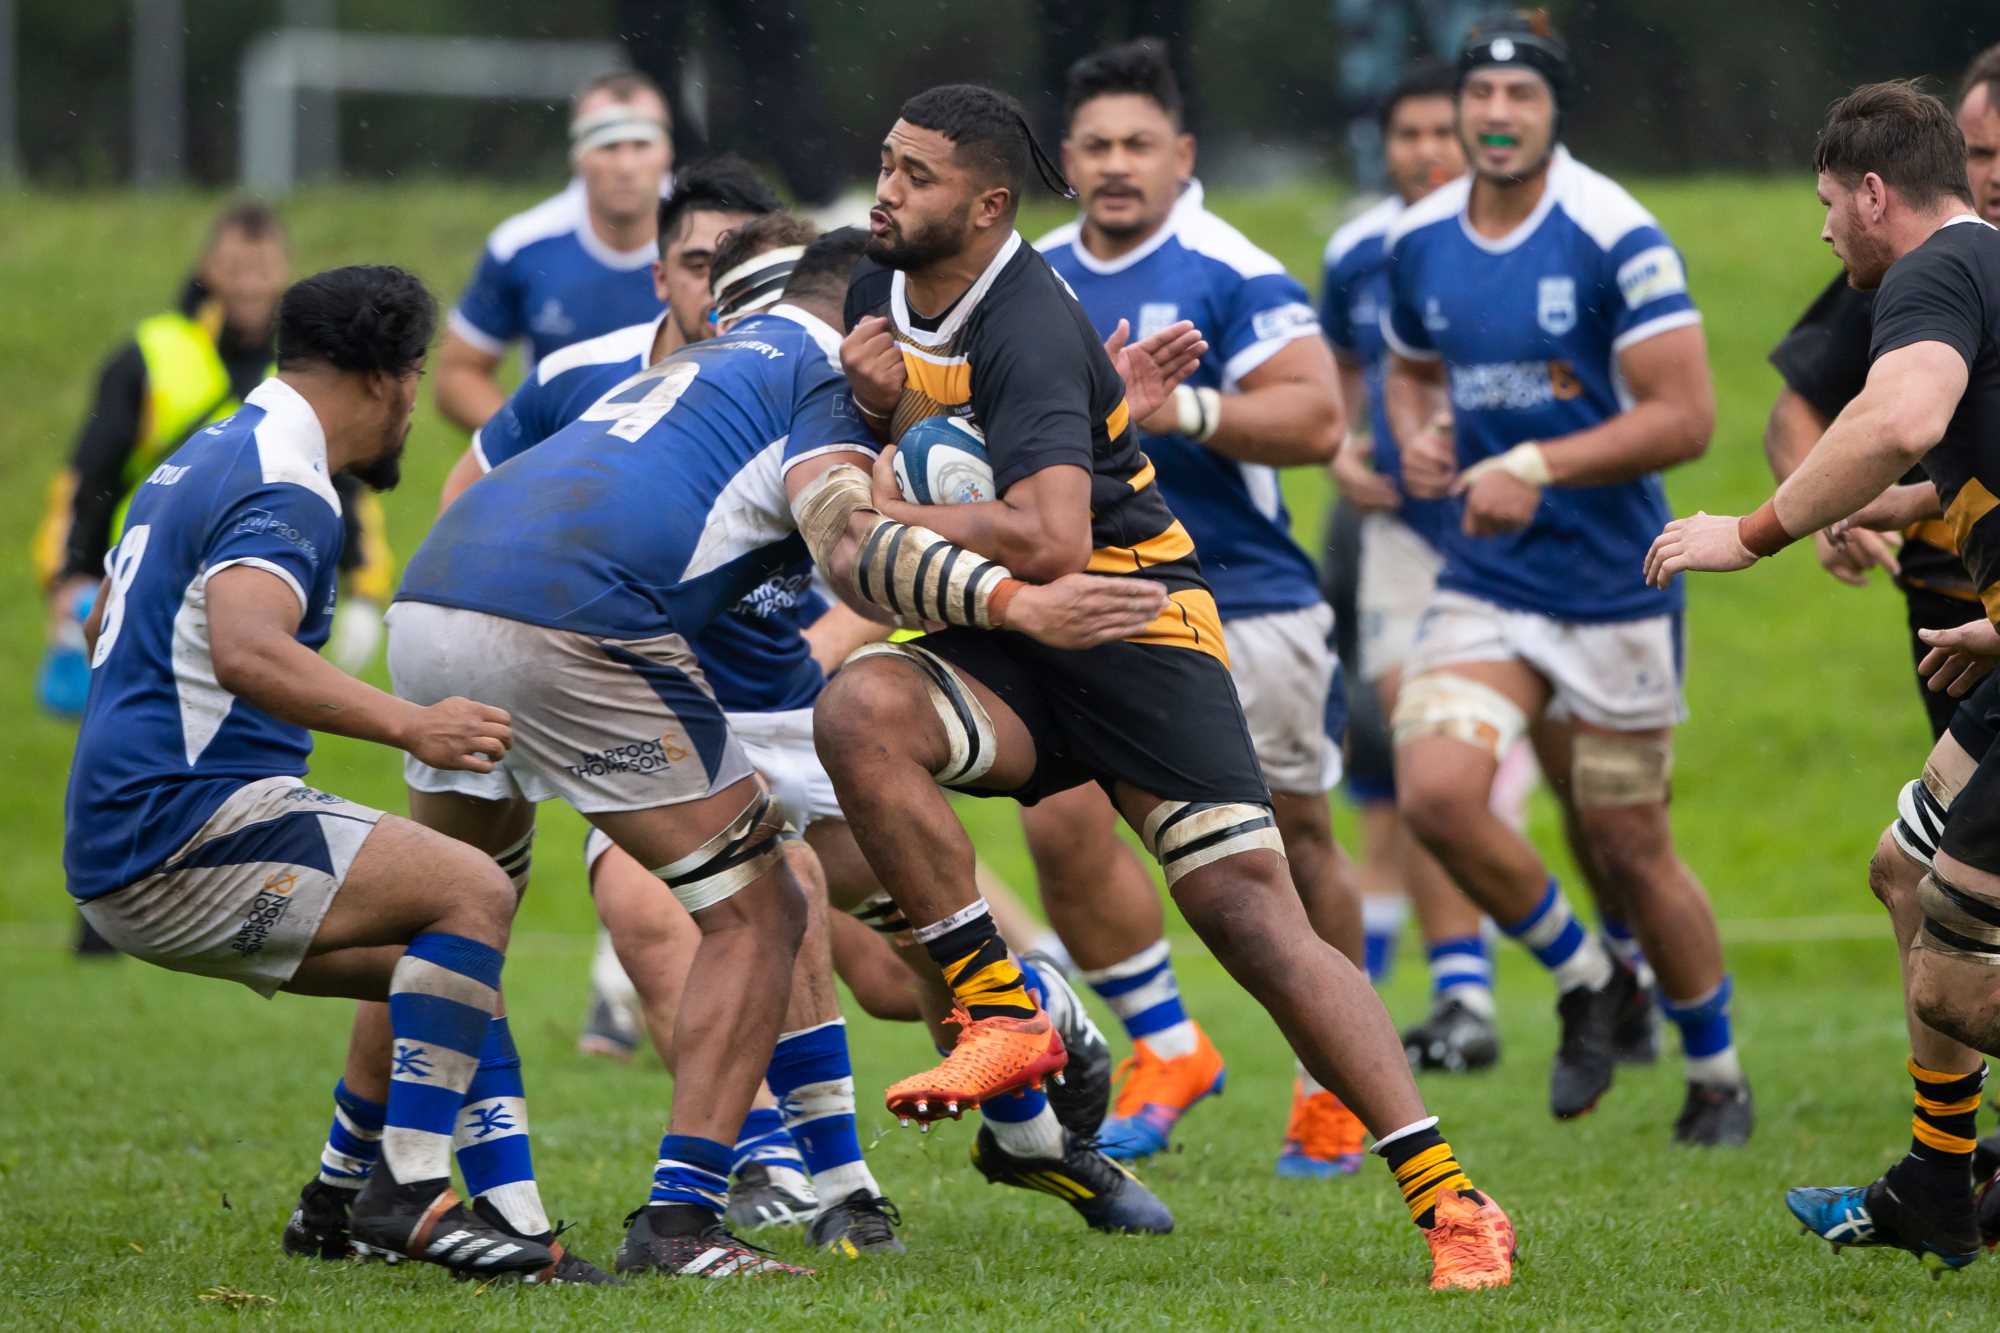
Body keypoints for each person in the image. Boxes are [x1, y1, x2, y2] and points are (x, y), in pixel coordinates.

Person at [827, 80, 1514, 1288]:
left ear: (988, 205)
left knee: (1250, 915)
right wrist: (880, 406)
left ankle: (1450, 1199)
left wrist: (899, 502)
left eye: (915, 175)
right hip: (1011, 637)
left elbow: (1047, 535)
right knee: (860, 713)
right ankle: (1002, 1014)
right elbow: (979, 495)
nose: (886, 189)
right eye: (884, 163)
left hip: (1137, 621)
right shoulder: (873, 294)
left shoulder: (1027, 319)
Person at [60, 264, 581, 1281]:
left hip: (122, 841)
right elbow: (247, 647)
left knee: (436, 965)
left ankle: (384, 1209)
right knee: (473, 888)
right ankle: (414, 1195)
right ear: (387, 377)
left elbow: (100, 624)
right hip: (182, 828)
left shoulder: (198, 456)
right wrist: (413, 726)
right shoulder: (287, 484)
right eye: (416, 380)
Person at [1644, 80, 2000, 1275]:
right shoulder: (1985, 265)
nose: (1819, 233)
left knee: (1953, 980)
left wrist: (1750, 532)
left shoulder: (1935, 272)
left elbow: (1899, 417)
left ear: (1868, 191)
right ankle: (1938, 1184)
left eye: (1823, 205)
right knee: (1902, 867)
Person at [1379, 11, 1748, 1143]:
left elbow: (1685, 417)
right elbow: (1404, 370)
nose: (1494, 118)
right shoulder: (1419, 239)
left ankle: (1716, 1072)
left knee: (1630, 846)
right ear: (1455, 115)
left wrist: (1535, 461)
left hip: (1615, 583)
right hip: (1486, 577)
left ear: (1551, 114)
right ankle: (1589, 977)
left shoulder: (1611, 233)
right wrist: (1422, 441)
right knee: (1435, 790)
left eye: (1518, 100)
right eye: (1475, 102)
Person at [1037, 38, 1378, 1177]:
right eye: (1095, 146)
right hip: (1087, 599)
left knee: (1287, 840)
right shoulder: (1025, 281)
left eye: (1139, 144)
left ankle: (1331, 1082)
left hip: (1245, 598)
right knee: (1055, 820)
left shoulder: (1232, 268)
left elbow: (1317, 421)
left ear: (1181, 155)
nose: (1117, 164)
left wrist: (1184, 415)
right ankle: (1166, 1045)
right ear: (1064, 159)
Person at [36, 204, 396, 963]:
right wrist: (74, 567)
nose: (251, 280)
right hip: (152, 567)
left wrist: (362, 571)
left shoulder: (298, 381)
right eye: (237, 265)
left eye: (266, 266)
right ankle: (133, 898)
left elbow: (340, 474)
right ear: (208, 268)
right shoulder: (153, 351)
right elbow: (96, 466)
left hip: (243, 563)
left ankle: (166, 882)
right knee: (153, 722)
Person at [1322, 57, 1519, 1074]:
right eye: (1405, 136)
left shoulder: (1531, 237)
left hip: (1526, 535)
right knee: (1411, 730)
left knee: (1599, 795)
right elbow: (1336, 386)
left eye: (1438, 134)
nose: (1423, 153)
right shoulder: (1356, 250)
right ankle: (1461, 994)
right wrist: (1341, 450)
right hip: (1404, 534)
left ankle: (1618, 969)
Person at [1761, 44, 2000, 742]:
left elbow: (1904, 423)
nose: (1997, 175)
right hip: (1946, 604)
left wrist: (1752, 535)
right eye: (1981, 154)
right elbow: (1797, 410)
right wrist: (1833, 503)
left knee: (1945, 850)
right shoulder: (1908, 267)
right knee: (1927, 848)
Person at [433, 71, 673, 434]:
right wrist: (527, 443)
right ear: (577, 156)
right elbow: (457, 374)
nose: (626, 166)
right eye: (608, 145)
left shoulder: (720, 241)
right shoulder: (522, 247)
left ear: (667, 152)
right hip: (561, 482)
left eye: (641, 144)